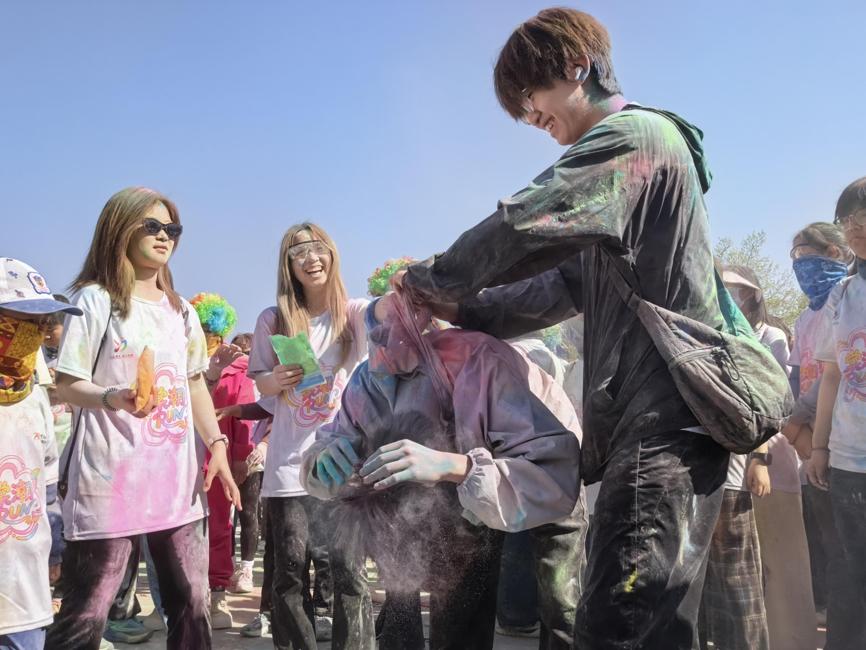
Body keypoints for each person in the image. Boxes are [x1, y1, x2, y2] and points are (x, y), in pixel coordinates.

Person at [396, 7, 730, 648]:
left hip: (663, 421)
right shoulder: (625, 187)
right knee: (655, 623)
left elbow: (526, 223)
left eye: (530, 98)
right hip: (657, 425)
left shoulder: (635, 139)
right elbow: (556, 288)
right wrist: (463, 311)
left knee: (618, 625)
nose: (531, 120)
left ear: (577, 67)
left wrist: (427, 281)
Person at [303, 290, 583, 649]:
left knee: (563, 605)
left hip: (541, 469)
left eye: (392, 325)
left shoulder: (476, 362)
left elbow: (554, 477)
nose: (381, 338)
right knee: (442, 604)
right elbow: (326, 443)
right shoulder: (366, 383)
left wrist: (458, 466)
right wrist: (323, 459)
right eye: (375, 324)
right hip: (459, 488)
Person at [46, 187, 240, 650]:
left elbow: (194, 384)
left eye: (171, 229)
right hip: (108, 478)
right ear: (120, 228)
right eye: (151, 225)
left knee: (192, 603)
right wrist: (115, 397)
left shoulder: (182, 311)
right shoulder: (95, 301)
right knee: (89, 609)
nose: (163, 236)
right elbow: (67, 382)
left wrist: (217, 446)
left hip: (175, 481)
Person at [247, 222, 373, 650]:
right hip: (287, 465)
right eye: (298, 251)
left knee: (349, 573)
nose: (310, 257)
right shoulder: (273, 319)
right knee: (289, 573)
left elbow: (388, 318)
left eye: (318, 248)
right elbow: (258, 385)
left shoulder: (353, 313)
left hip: (343, 460)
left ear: (333, 254)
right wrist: (275, 379)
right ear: (288, 265)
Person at [784, 221, 861, 647]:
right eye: (794, 257)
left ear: (836, 252)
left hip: (847, 443)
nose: (801, 264)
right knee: (842, 563)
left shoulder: (851, 295)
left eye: (807, 253)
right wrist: (805, 438)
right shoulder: (828, 307)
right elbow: (820, 380)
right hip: (825, 448)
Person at [0, 258, 82, 650]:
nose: (35, 334)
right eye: (21, 321)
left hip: (25, 596)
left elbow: (46, 487)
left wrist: (56, 549)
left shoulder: (34, 398)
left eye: (42, 323)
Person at [806, 176, 866, 648]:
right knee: (850, 568)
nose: (856, 228)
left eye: (864, 218)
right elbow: (831, 376)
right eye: (848, 219)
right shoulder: (843, 295)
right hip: (850, 458)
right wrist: (820, 447)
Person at [189, 291, 249, 629]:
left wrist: (239, 457)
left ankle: (218, 592)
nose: (210, 338)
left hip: (217, 459)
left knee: (222, 527)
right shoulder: (183, 362)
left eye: (213, 331)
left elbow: (242, 417)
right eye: (201, 329)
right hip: (181, 456)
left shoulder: (239, 367)